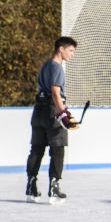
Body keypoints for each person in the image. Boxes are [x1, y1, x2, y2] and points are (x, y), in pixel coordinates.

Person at [25, 36, 78, 203]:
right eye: (70, 50)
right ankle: (54, 189)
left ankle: (31, 187)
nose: (72, 54)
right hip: (51, 111)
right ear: (60, 49)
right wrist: (63, 113)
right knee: (58, 149)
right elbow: (55, 93)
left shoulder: (45, 66)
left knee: (37, 149)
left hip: (38, 111)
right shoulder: (57, 68)